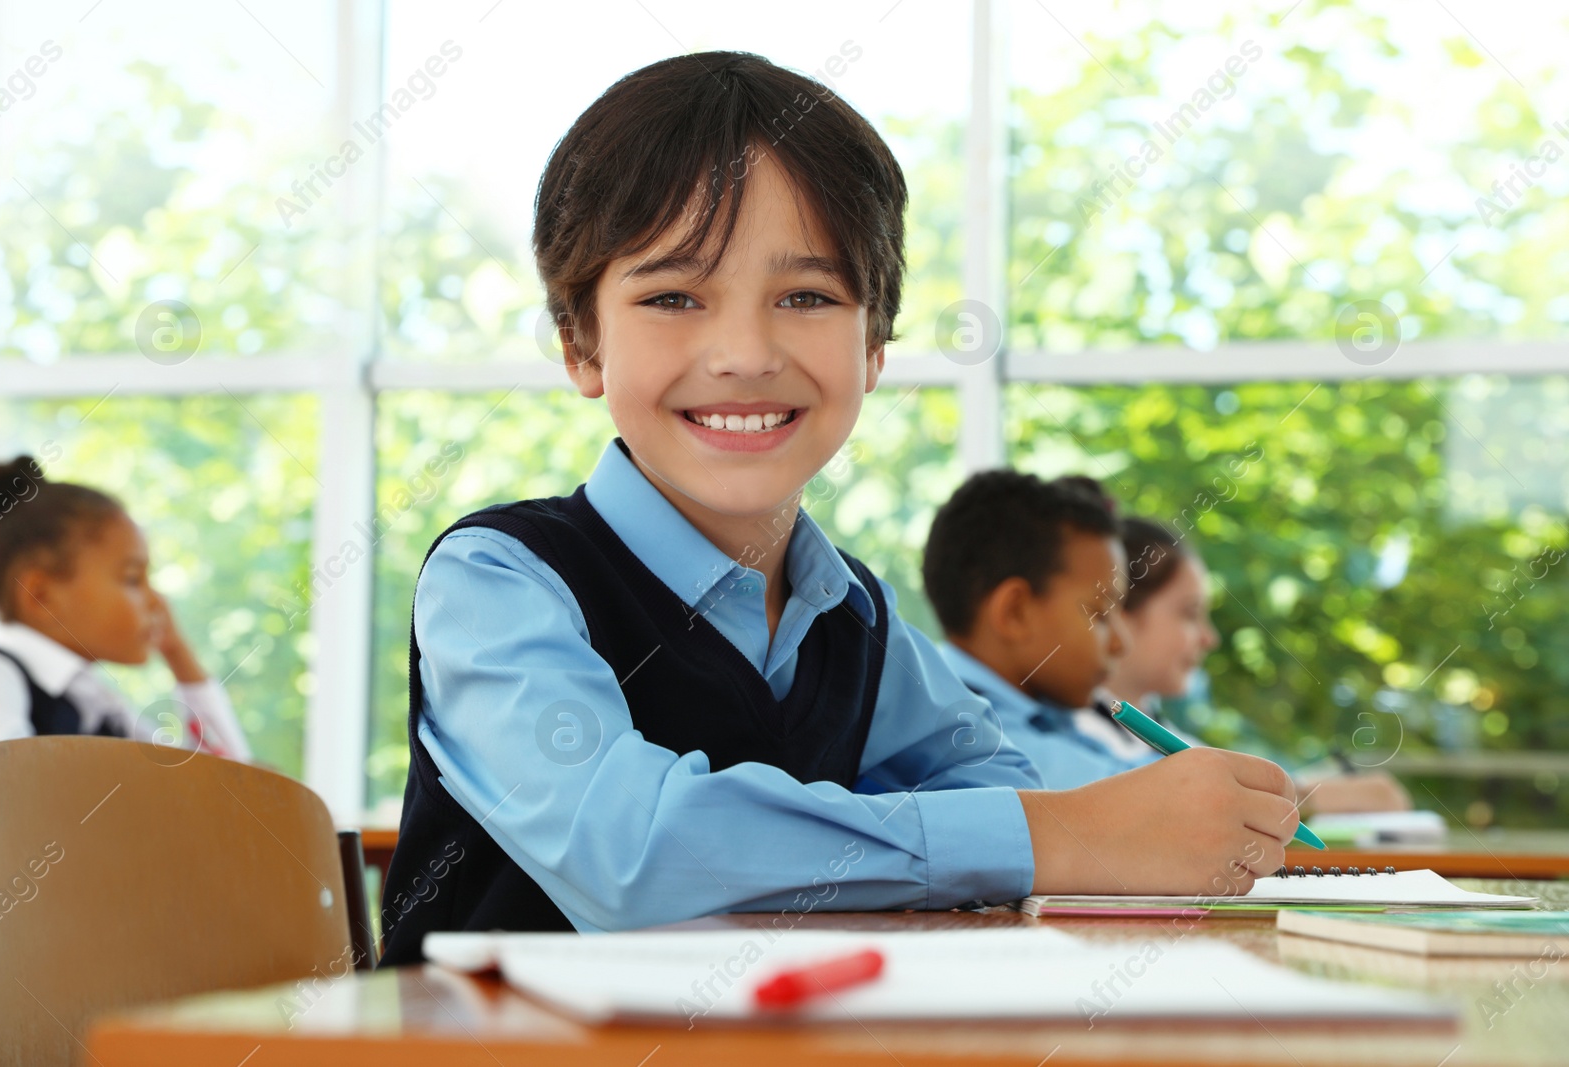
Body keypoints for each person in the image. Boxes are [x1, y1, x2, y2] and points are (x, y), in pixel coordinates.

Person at [377, 51, 1300, 964]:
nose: (743, 352)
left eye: (807, 296)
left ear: (873, 348)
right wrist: (1050, 836)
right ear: (581, 343)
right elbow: (637, 855)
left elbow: (993, 783)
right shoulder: (497, 579)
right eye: (672, 296)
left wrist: (1049, 831)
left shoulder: (855, 611)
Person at [1109, 517, 1411, 814]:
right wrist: (1306, 798)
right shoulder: (1069, 757)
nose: (1209, 639)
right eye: (1189, 613)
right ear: (1118, 614)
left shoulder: (1163, 736)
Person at [0, 455, 250, 760]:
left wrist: (178, 653)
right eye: (132, 579)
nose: (158, 602)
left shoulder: (100, 705)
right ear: (41, 597)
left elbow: (225, 784)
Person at [922, 470, 1161, 789]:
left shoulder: (1044, 719)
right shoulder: (980, 744)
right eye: (1101, 614)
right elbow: (1157, 800)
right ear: (1015, 612)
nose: (1121, 643)